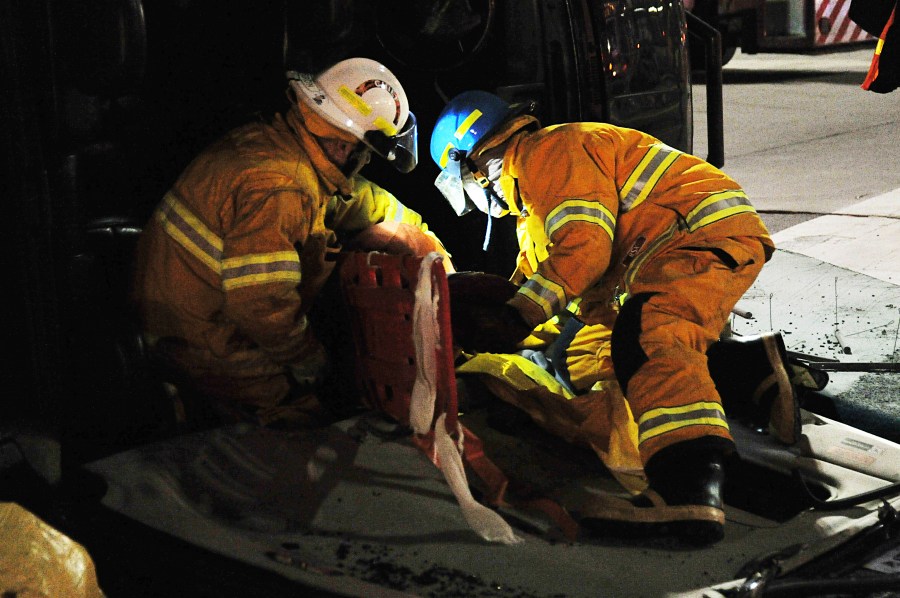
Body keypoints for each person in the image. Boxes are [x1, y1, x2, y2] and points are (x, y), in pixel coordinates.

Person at [430, 90, 780, 546]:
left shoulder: (549, 153)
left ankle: (687, 491)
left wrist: (516, 316)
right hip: (678, 245)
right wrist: (493, 329)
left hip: (695, 233)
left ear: (474, 163)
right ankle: (752, 371)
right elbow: (553, 290)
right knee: (623, 353)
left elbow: (585, 250)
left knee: (650, 338)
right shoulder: (536, 207)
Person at [133, 57, 452, 430]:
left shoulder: (281, 146)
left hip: (183, 312)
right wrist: (307, 359)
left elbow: (354, 200)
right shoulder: (281, 187)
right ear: (342, 146)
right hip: (198, 339)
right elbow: (262, 305)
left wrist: (420, 234)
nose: (364, 161)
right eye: (364, 151)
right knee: (301, 416)